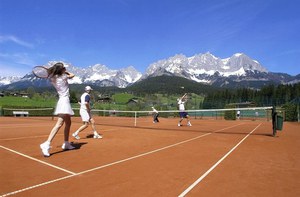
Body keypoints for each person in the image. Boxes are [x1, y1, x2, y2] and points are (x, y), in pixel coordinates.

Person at [40, 62, 75, 157]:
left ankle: (66, 143)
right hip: (64, 102)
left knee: (68, 123)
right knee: (59, 124)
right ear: (61, 70)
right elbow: (73, 75)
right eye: (63, 67)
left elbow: (54, 75)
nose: (65, 68)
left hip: (63, 101)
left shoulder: (53, 79)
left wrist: (56, 70)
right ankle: (46, 144)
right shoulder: (63, 77)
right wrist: (66, 72)